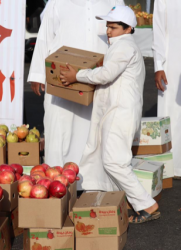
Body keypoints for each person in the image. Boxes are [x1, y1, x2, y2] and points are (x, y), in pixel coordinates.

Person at [60, 6, 160, 223]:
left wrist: (77, 75)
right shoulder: (122, 46)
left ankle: (146, 205)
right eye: (107, 26)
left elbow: (106, 74)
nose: (108, 30)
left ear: (128, 28)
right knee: (112, 160)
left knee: (115, 162)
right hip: (117, 112)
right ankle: (129, 203)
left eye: (113, 27)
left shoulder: (124, 46)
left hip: (120, 113)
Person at [27, 0, 125, 190]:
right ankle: (57, 182)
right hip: (61, 79)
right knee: (60, 126)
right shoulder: (57, 3)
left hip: (100, 77)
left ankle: (94, 183)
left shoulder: (113, 2)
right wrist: (38, 74)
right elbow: (45, 36)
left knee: (96, 128)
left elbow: (124, 36)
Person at [152, 0, 181, 178]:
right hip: (171, 64)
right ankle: (170, 167)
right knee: (171, 114)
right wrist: (158, 65)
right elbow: (159, 31)